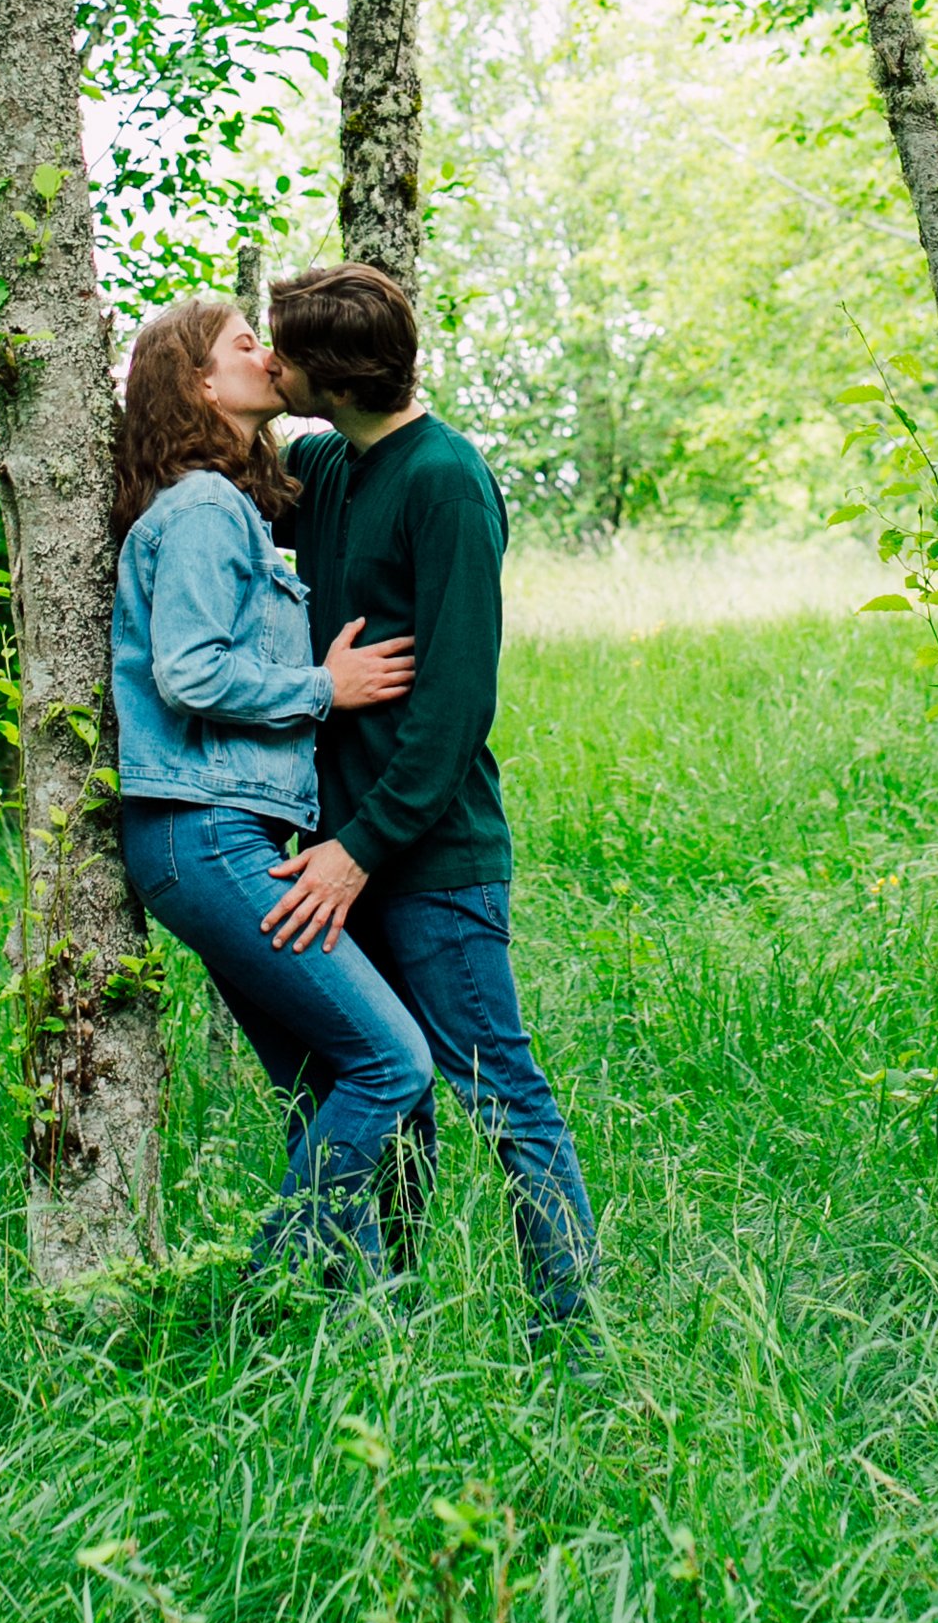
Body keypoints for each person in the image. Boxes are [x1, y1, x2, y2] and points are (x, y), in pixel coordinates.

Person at [260, 262, 598, 1333]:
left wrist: (359, 850)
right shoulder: (326, 463)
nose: (271, 367)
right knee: (386, 1095)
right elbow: (217, 477)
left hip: (426, 856)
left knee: (501, 1095)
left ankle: (572, 1335)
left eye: (285, 355)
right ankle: (391, 1326)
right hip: (338, 853)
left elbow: (454, 705)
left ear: (339, 377)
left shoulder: (445, 479)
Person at [110, 291, 433, 1283]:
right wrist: (322, 689)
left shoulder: (228, 504)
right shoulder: (205, 508)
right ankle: (261, 1285)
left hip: (215, 835)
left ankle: (357, 1329)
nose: (269, 352)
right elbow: (191, 673)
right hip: (207, 833)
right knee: (393, 1063)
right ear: (198, 383)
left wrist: (310, 668)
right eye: (245, 344)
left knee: (328, 1082)